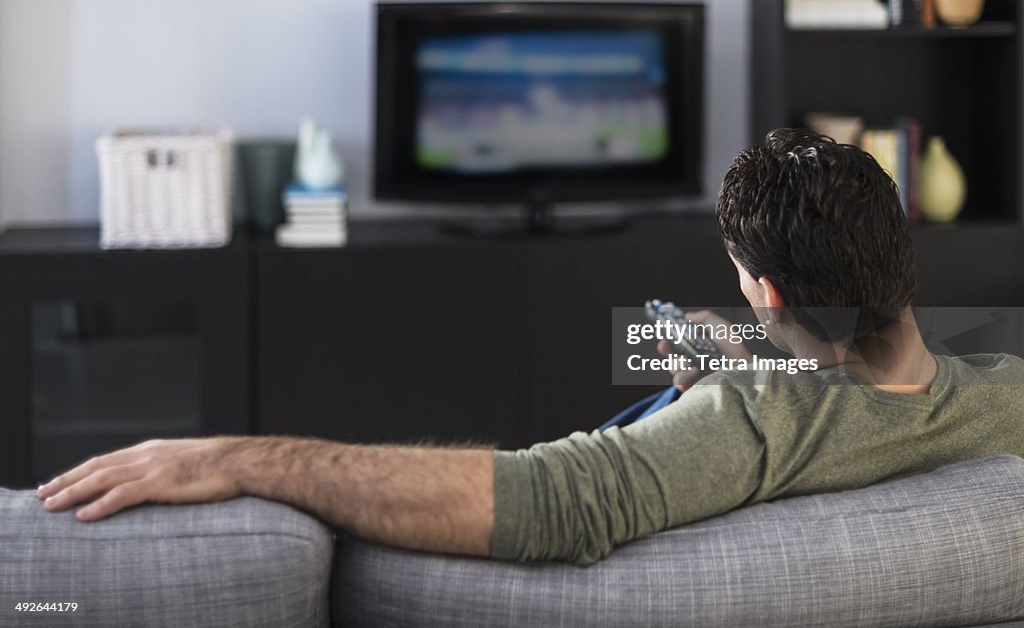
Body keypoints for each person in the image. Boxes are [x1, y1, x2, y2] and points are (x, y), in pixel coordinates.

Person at [37, 129, 1024, 565]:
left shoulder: (753, 428)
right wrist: (742, 367)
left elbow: (547, 498)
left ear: (764, 290)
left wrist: (237, 455)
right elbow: (881, 382)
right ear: (897, 257)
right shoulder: (1005, 395)